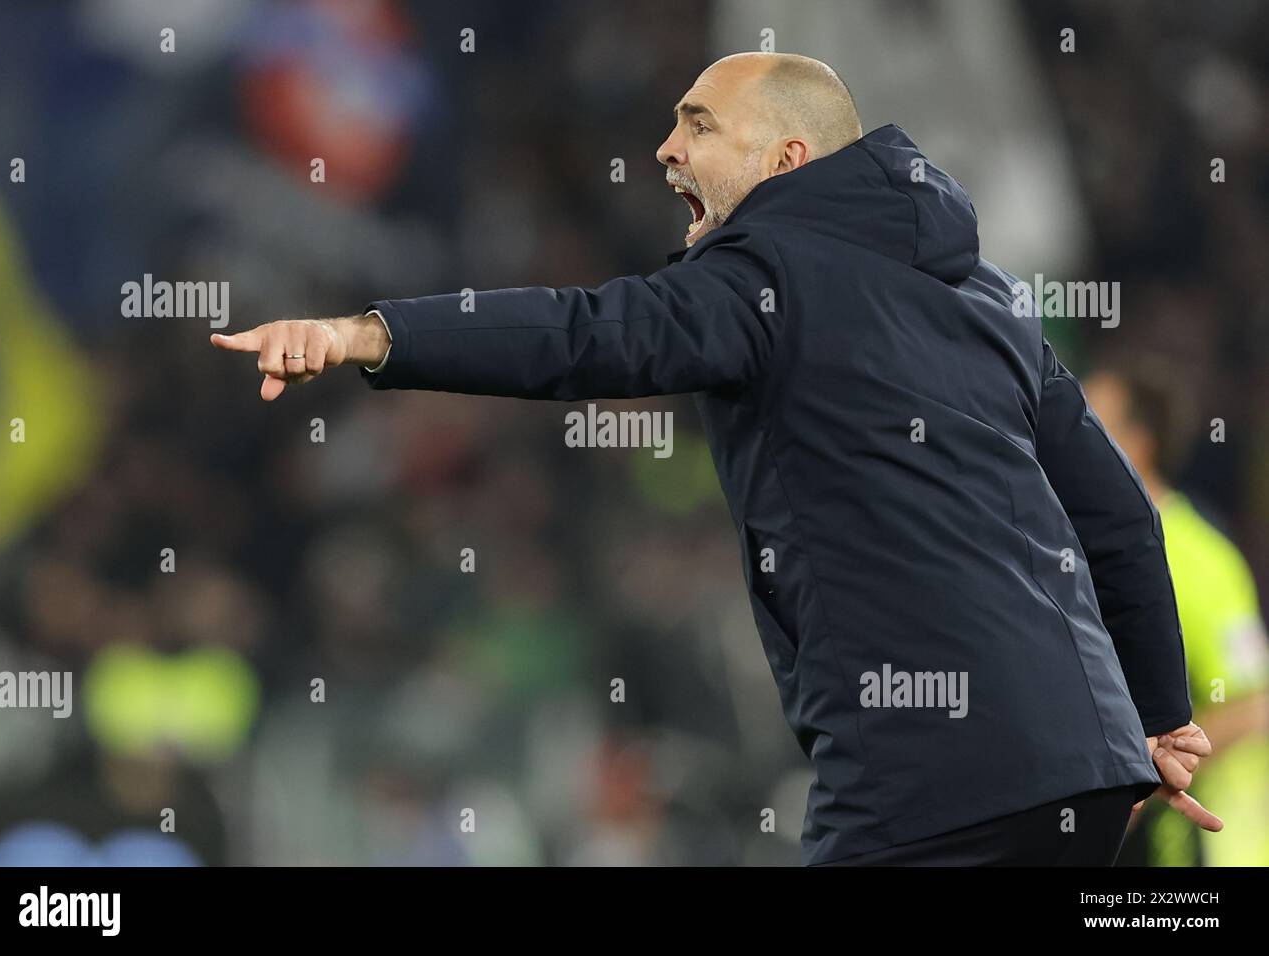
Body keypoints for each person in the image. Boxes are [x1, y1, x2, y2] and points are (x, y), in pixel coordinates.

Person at [212, 52, 1220, 865]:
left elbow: (584, 333)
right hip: (1082, 768)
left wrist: (371, 333)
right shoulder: (989, 296)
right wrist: (1161, 714)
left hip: (927, 776)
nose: (664, 146)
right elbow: (1121, 517)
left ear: (786, 159)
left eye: (697, 124)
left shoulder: (765, 272)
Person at [1085, 362, 1268, 866]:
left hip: (1208, 854)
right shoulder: (1074, 549)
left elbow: (1255, 705)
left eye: (1089, 423)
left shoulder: (1203, 558)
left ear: (1136, 445)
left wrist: (1154, 759)